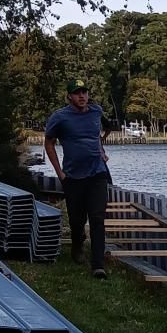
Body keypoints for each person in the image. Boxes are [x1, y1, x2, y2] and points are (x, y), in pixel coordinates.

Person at [44, 78, 111, 276]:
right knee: (76, 220)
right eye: (77, 93)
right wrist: (59, 172)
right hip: (73, 176)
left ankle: (98, 265)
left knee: (98, 217)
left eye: (84, 92)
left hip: (97, 174)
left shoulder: (96, 111)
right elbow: (49, 143)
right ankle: (77, 245)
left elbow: (103, 130)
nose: (82, 96)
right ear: (69, 96)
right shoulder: (60, 117)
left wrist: (100, 147)